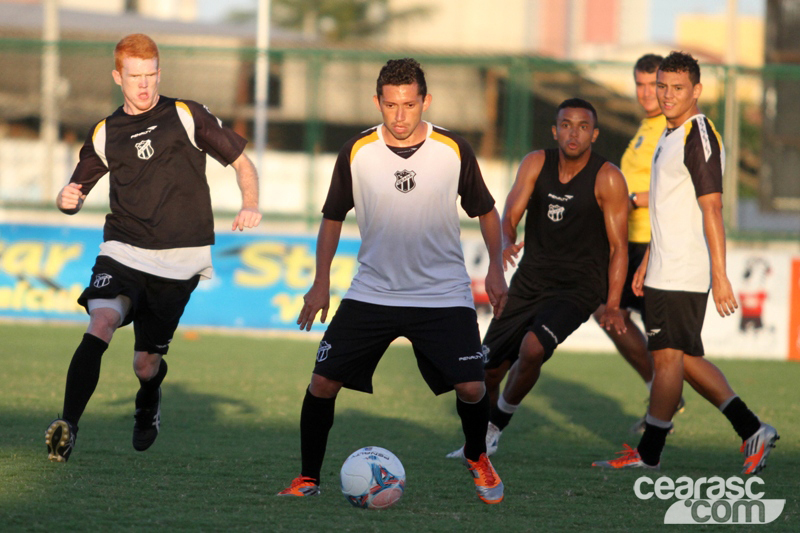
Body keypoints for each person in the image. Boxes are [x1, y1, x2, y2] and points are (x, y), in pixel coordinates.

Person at [276, 58, 509, 504]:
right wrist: (320, 280)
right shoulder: (357, 151)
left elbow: (486, 211)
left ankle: (477, 456)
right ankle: (307, 478)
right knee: (322, 382)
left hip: (442, 292)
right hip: (373, 292)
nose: (400, 115)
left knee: (473, 387)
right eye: (390, 105)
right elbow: (332, 217)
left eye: (409, 104)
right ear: (377, 102)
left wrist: (496, 267)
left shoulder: (453, 149)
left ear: (425, 101)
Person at [45, 34, 262, 463]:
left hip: (180, 258)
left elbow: (242, 162)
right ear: (117, 77)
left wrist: (250, 202)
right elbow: (74, 190)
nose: (144, 85)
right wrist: (64, 199)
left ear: (159, 72)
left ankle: (148, 398)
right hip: (123, 248)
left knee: (145, 363)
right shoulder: (106, 132)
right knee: (102, 321)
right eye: (135, 77)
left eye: (151, 75)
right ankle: (68, 425)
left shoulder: (185, 114)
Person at [593, 51, 779, 473]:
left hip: (684, 269)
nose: (667, 95)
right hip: (664, 265)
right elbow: (669, 208)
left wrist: (720, 274)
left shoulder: (698, 134)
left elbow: (711, 207)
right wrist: (647, 262)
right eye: (662, 86)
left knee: (667, 359)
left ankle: (649, 454)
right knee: (682, 358)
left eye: (678, 88)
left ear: (696, 91)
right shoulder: (668, 133)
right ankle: (752, 430)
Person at [448, 98, 630, 458]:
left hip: (578, 287)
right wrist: (506, 244)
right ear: (555, 130)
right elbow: (508, 218)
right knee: (484, 372)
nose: (573, 132)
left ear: (594, 134)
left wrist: (611, 304)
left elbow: (618, 247)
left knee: (533, 348)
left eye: (581, 126)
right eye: (565, 124)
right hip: (530, 280)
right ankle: (479, 444)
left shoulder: (608, 177)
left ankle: (496, 426)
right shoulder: (536, 163)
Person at [590, 53, 684, 433]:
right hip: (630, 242)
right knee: (608, 312)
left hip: (654, 243)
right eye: (641, 85)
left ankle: (739, 419)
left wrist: (628, 200)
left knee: (670, 346)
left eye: (655, 85)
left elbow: (678, 185)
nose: (647, 93)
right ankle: (660, 391)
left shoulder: (674, 128)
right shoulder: (647, 127)